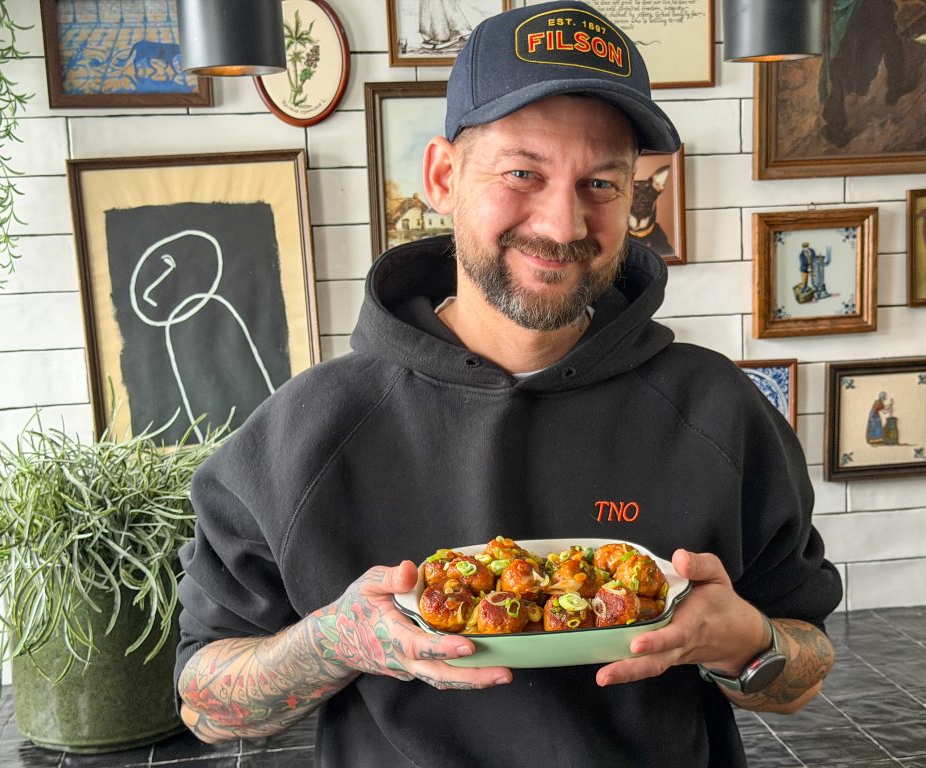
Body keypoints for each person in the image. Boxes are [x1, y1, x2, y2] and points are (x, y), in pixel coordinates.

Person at [174, 3, 842, 766]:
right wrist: (330, 643)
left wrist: (745, 643)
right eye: (522, 172)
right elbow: (205, 705)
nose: (562, 223)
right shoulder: (308, 431)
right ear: (442, 176)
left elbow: (804, 669)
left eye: (601, 183)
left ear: (634, 202)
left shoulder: (718, 411)